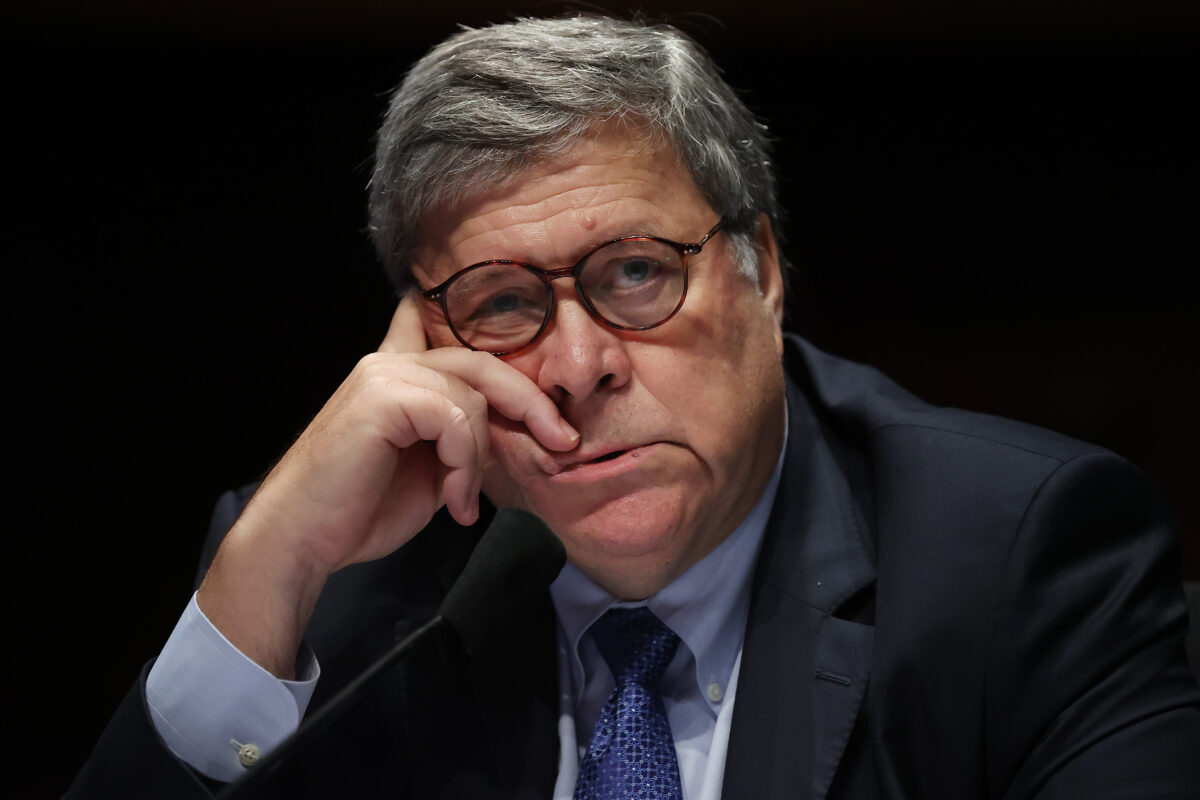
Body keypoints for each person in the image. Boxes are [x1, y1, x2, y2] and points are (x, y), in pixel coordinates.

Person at [68, 14, 1200, 799]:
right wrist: (262, 573)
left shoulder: (1016, 560)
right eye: (502, 301)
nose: (573, 365)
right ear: (420, 341)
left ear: (761, 266)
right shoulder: (335, 584)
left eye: (635, 274)